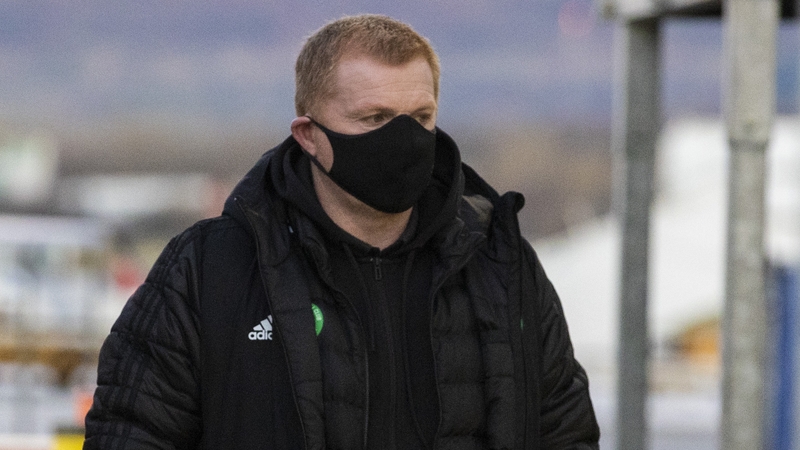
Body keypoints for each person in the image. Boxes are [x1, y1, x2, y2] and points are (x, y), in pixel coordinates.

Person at [84, 14, 600, 450]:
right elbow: (129, 432)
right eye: (374, 118)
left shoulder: (499, 267)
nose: (403, 139)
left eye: (420, 116)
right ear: (309, 135)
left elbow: (566, 431)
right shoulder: (210, 270)